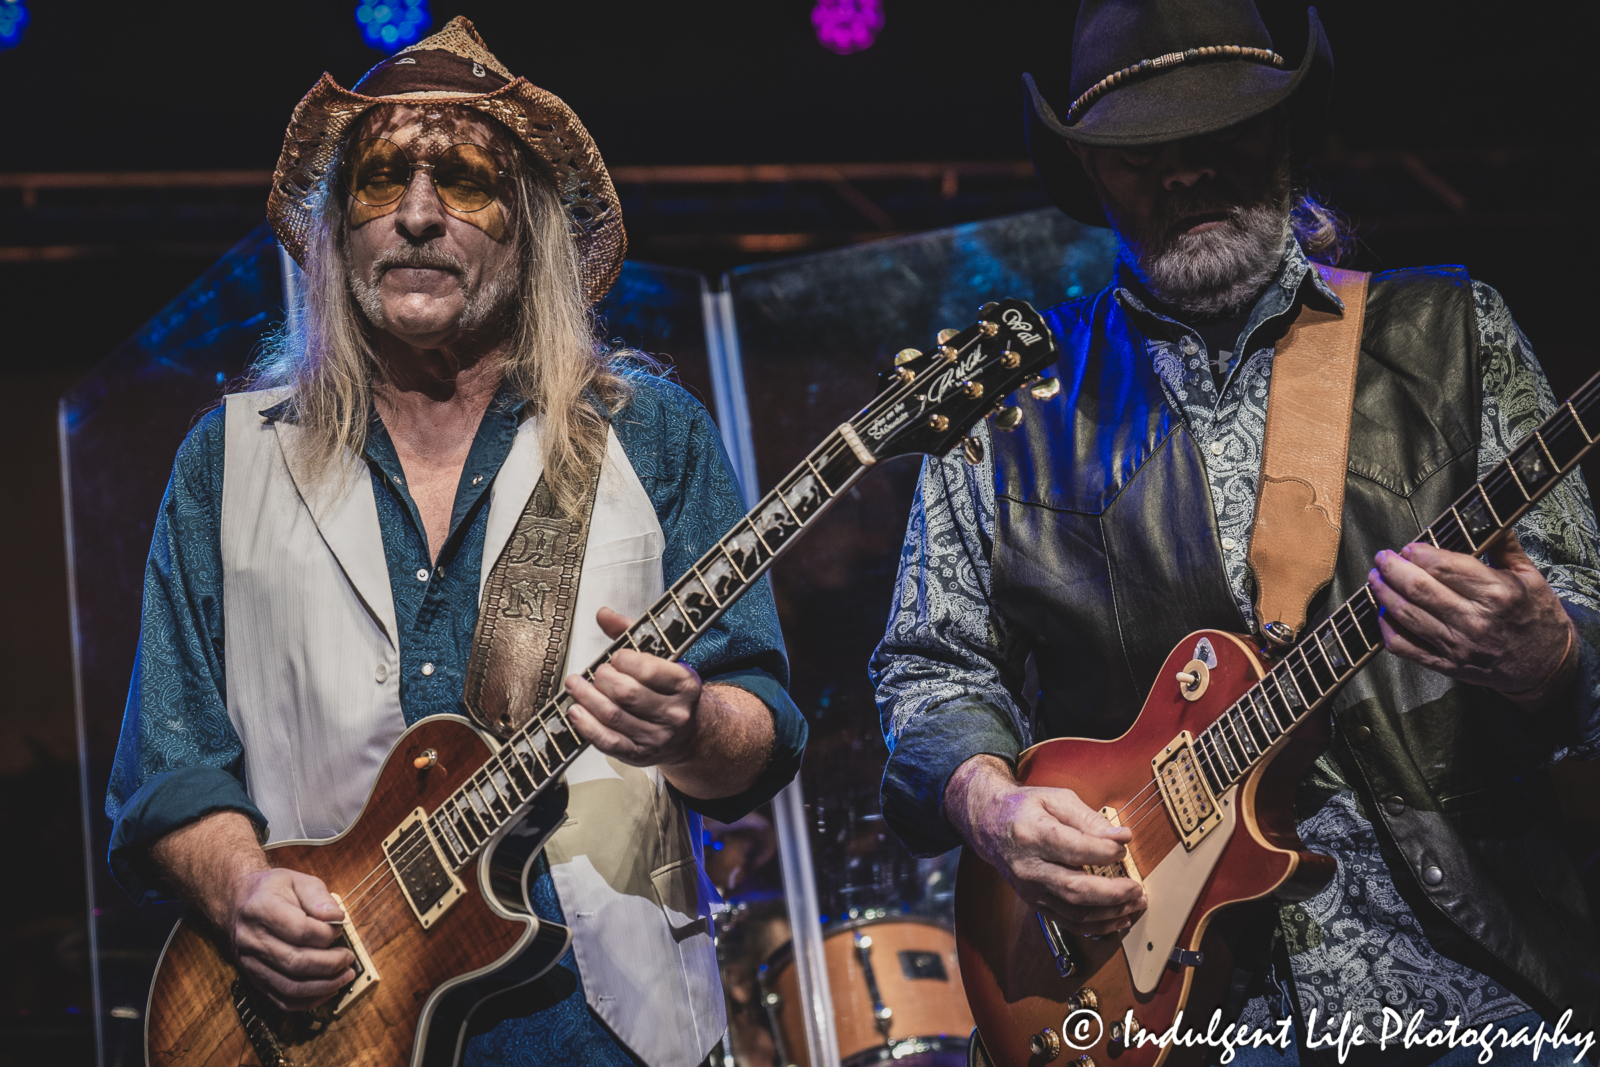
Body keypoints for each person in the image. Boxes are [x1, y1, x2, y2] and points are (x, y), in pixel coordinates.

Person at [872, 0, 1600, 1061]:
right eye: (1137, 153)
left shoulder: (1452, 332)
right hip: (1180, 1010)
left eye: (1216, 134)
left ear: (1285, 137)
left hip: (1466, 971)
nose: (1179, 172)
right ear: (1092, 178)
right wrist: (986, 803)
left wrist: (1557, 655)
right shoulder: (1008, 401)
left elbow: (1585, 611)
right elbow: (929, 666)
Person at [105, 18, 805, 1067]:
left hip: (606, 1030)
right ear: (340, 230)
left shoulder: (648, 434)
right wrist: (243, 889)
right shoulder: (226, 459)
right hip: (322, 1028)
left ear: (524, 229)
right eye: (383, 178)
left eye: (465, 181)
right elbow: (167, 764)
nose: (420, 215)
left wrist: (691, 721)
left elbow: (760, 716)